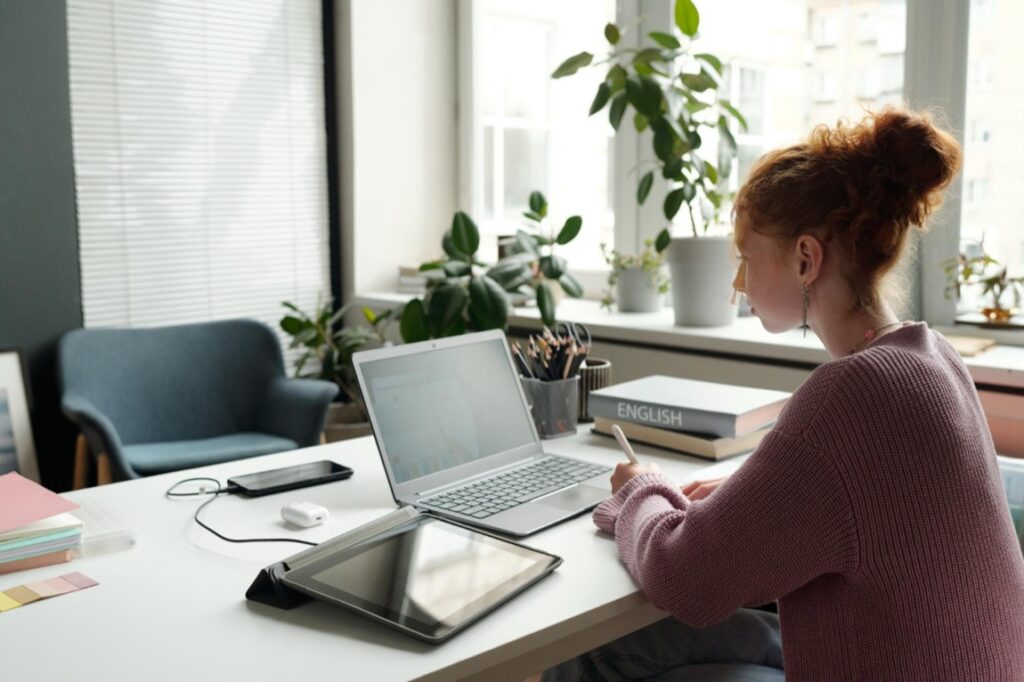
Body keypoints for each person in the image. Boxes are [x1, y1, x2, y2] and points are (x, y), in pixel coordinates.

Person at [542, 108, 1024, 681]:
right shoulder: (933, 358)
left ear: (805, 258)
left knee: (592, 656)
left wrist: (641, 489)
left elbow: (686, 579)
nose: (738, 284)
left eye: (746, 257)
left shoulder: (851, 395)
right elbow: (872, 506)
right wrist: (752, 497)